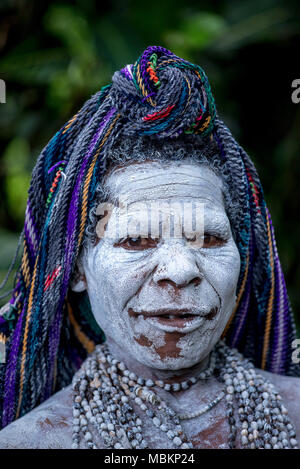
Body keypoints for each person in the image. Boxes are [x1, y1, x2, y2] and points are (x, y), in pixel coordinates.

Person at [0, 46, 299, 449]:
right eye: (136, 240)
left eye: (210, 238)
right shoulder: (30, 443)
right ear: (76, 270)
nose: (180, 270)